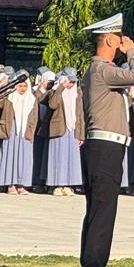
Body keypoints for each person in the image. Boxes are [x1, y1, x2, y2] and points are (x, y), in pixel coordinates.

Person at [77, 13, 134, 267]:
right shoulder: (103, 70)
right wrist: (132, 52)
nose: (121, 42)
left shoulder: (95, 71)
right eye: (117, 38)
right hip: (106, 148)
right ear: (108, 40)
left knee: (97, 211)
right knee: (103, 212)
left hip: (100, 147)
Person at [0, 74, 39, 194]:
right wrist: (2, 87)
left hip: (26, 131)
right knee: (10, 156)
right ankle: (10, 184)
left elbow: (34, 117)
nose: (22, 89)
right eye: (20, 86)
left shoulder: (32, 99)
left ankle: (21, 184)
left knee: (24, 157)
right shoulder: (9, 97)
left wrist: (31, 132)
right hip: (11, 130)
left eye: (25, 86)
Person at [45, 68, 83, 196]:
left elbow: (80, 113)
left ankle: (68, 185)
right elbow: (52, 105)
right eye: (69, 81)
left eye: (73, 82)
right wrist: (61, 88)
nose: (71, 84)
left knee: (71, 158)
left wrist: (81, 134)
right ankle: (57, 185)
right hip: (59, 128)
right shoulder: (55, 91)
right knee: (58, 157)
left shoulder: (77, 92)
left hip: (73, 129)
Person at [32, 68, 57, 192]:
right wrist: (41, 89)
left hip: (47, 129)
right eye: (49, 82)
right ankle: (36, 182)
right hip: (37, 129)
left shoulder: (53, 93)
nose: (50, 84)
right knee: (37, 156)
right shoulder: (34, 91)